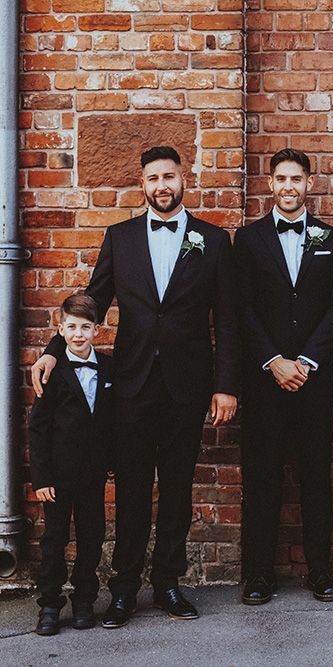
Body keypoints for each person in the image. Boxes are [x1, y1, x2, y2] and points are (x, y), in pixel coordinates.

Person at [31, 146, 240, 627]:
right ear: (142, 185)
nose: (162, 185)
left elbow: (227, 319)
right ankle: (123, 589)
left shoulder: (213, 239)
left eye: (169, 176)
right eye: (152, 178)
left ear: (183, 179)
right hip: (131, 386)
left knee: (177, 490)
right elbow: (92, 301)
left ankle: (168, 583)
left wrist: (225, 385)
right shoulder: (120, 237)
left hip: (188, 388)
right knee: (130, 490)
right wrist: (52, 348)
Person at [233, 148, 333, 604]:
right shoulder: (248, 240)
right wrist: (273, 361)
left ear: (308, 184)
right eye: (280, 178)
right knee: (263, 477)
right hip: (265, 380)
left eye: (296, 179)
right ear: (269, 184)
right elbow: (241, 306)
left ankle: (319, 570)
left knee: (317, 475)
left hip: (315, 379)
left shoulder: (330, 238)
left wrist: (305, 361)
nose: (288, 187)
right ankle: (259, 573)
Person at [29, 294, 113, 635]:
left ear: (97, 329)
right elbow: (38, 427)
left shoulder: (109, 367)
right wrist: (41, 477)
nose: (79, 334)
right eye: (72, 327)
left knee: (92, 536)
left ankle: (84, 601)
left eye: (85, 327)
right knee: (54, 539)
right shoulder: (51, 370)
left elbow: (113, 420)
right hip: (58, 477)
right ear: (60, 328)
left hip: (93, 474)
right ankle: (49, 604)